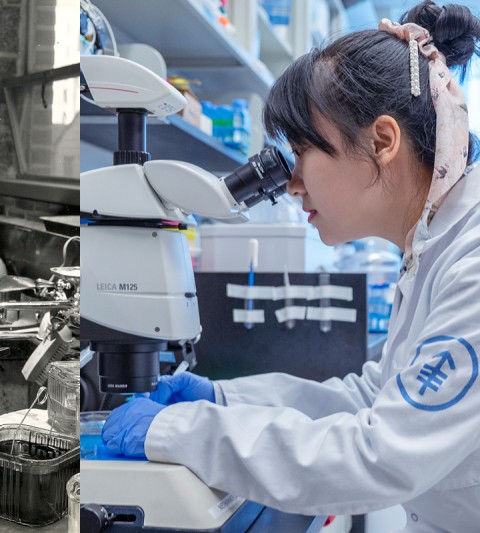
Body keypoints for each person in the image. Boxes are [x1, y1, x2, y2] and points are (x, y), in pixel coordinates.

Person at [101, 1, 480, 531]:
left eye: (304, 151)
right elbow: (374, 397)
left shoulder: (473, 260)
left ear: (382, 141)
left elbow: (380, 454)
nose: (293, 182)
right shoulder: (433, 243)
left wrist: (179, 431)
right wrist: (224, 398)